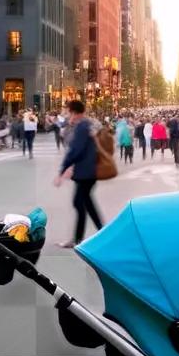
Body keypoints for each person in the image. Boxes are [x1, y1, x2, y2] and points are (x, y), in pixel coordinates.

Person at [54, 99, 103, 247]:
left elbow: (75, 150)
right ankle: (100, 232)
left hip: (86, 172)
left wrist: (63, 170)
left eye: (69, 112)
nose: (68, 116)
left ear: (75, 113)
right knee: (86, 203)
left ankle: (78, 239)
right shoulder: (87, 124)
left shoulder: (82, 126)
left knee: (79, 202)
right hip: (89, 171)